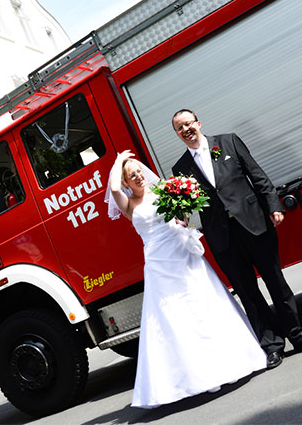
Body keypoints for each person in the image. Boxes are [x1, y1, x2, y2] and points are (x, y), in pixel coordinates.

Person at [106, 150, 266, 408]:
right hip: (159, 264)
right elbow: (113, 188)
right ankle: (195, 377)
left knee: (202, 305)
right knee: (175, 317)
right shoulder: (128, 204)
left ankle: (228, 363)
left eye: (138, 172)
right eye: (131, 176)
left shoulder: (163, 191)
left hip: (181, 253)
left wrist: (184, 219)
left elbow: (182, 214)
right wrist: (118, 162)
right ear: (126, 182)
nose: (137, 177)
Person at [170, 109, 302, 370]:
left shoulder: (228, 141)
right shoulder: (180, 168)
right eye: (179, 128)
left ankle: (298, 335)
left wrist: (273, 205)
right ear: (177, 134)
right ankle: (271, 346)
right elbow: (184, 207)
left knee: (276, 282)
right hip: (223, 237)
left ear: (198, 123)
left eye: (188, 124)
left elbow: (258, 175)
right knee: (248, 293)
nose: (186, 130)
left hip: (254, 224)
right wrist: (179, 216)